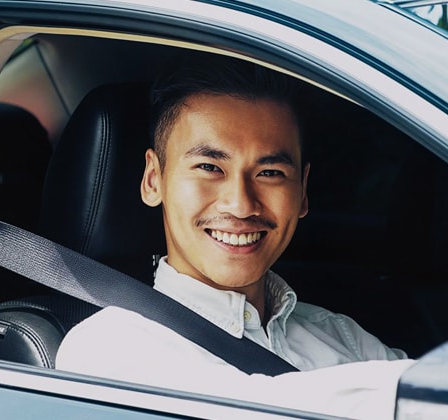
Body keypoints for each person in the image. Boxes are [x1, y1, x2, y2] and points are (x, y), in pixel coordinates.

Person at [56, 53, 413, 418]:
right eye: (209, 167)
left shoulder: (341, 336)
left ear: (302, 192)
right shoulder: (108, 347)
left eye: (270, 173)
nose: (241, 205)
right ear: (153, 179)